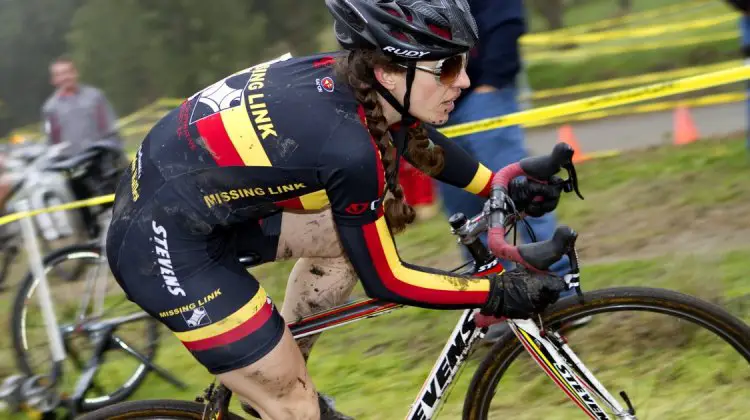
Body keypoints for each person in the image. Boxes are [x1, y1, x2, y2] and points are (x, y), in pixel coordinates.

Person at [105, 1, 566, 418]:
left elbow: (407, 134)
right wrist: (494, 293)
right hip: (163, 243)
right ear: (389, 73)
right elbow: (387, 280)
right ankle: (281, 395)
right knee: (298, 407)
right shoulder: (348, 149)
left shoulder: (350, 79)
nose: (462, 80)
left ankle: (275, 371)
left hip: (199, 205)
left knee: (347, 242)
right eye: (445, 68)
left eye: (462, 63)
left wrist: (500, 186)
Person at [433, 0, 572, 342]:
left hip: (483, 93)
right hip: (434, 104)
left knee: (516, 193)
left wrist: (492, 81)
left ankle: (560, 289)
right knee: (463, 211)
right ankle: (496, 301)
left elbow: (507, 18)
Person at [41, 56, 124, 237]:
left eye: (67, 72)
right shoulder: (50, 108)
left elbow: (109, 128)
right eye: (59, 74)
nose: (64, 77)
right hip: (73, 169)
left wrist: (112, 152)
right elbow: (52, 142)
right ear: (53, 80)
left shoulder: (95, 96)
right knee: (83, 213)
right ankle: (93, 246)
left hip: (102, 164)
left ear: (75, 73)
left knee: (117, 208)